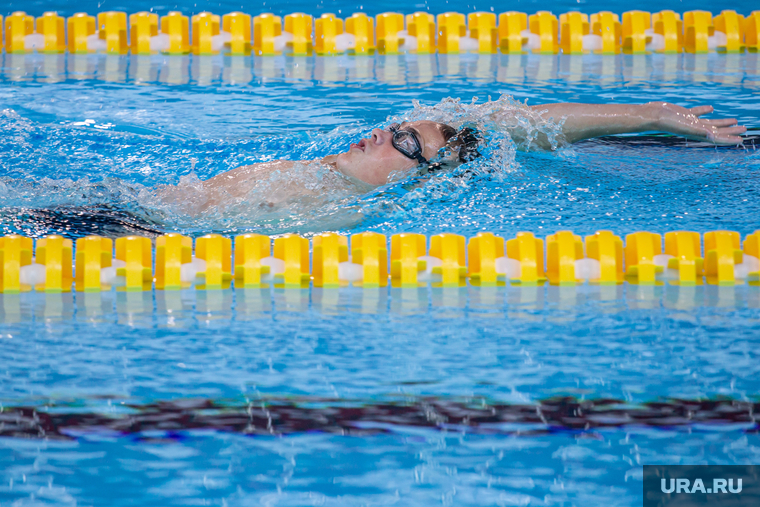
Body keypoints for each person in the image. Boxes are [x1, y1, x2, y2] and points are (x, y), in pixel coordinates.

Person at [163, 100, 746, 211]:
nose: (384, 136)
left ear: (424, 177)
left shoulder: (340, 209)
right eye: (395, 128)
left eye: (407, 143)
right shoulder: (319, 178)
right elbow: (505, 122)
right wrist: (650, 112)